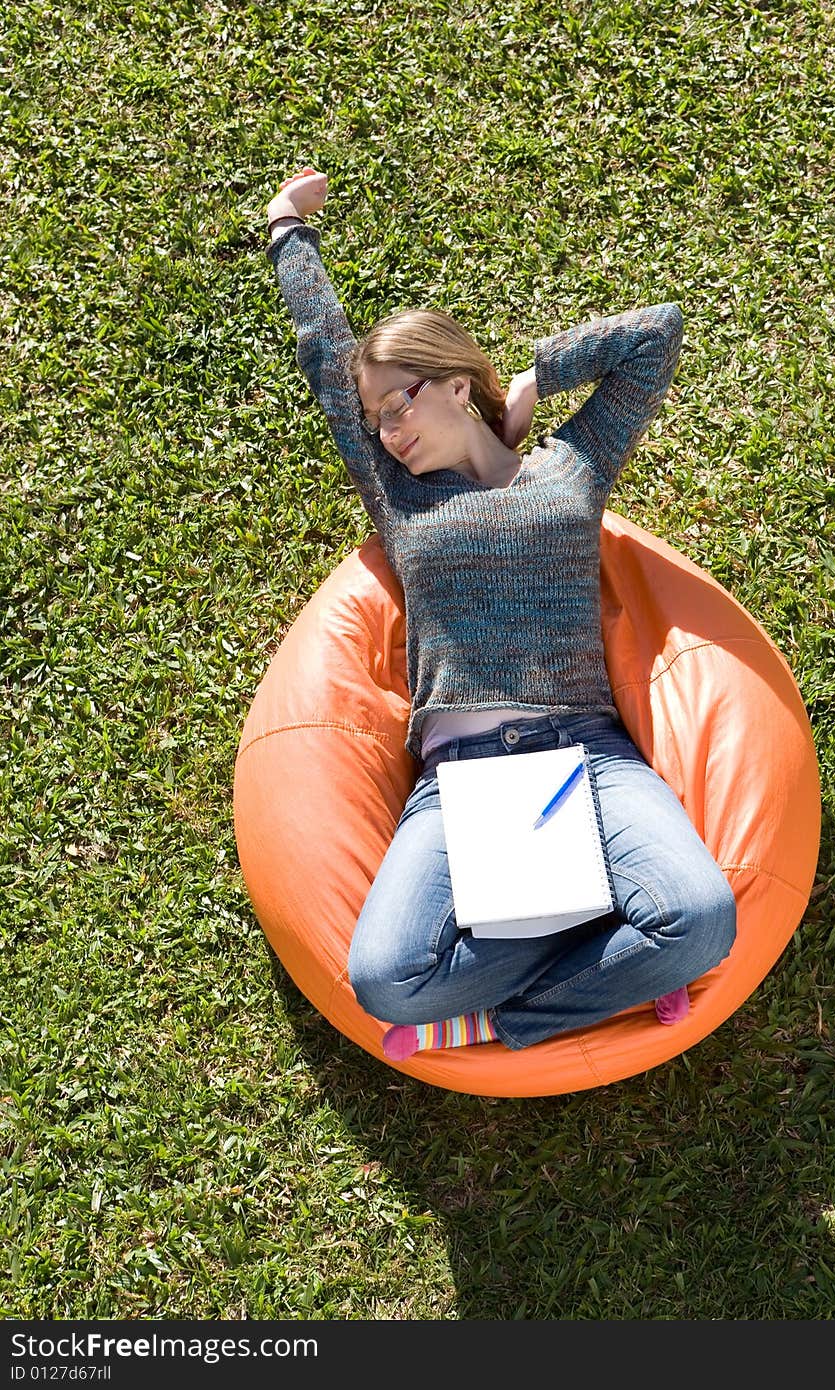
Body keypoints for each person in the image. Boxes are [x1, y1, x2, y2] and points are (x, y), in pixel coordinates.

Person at [265, 167, 736, 1061]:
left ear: (450, 383)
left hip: (586, 758)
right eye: (376, 417)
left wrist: (526, 382)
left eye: (400, 399)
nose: (387, 428)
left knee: (704, 919)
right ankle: (605, 959)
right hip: (460, 779)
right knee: (385, 979)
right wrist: (290, 233)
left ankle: (502, 1019)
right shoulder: (398, 495)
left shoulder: (571, 468)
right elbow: (326, 360)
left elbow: (656, 334)